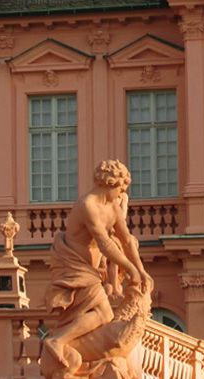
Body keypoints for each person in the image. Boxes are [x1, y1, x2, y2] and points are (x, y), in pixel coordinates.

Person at [43, 160, 152, 374]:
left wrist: (141, 270)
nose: (122, 194)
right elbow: (104, 242)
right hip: (72, 264)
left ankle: (72, 349)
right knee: (103, 313)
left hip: (89, 268)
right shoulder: (87, 205)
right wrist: (130, 268)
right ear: (109, 184)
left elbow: (127, 240)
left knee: (93, 314)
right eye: (120, 189)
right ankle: (57, 341)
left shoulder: (112, 207)